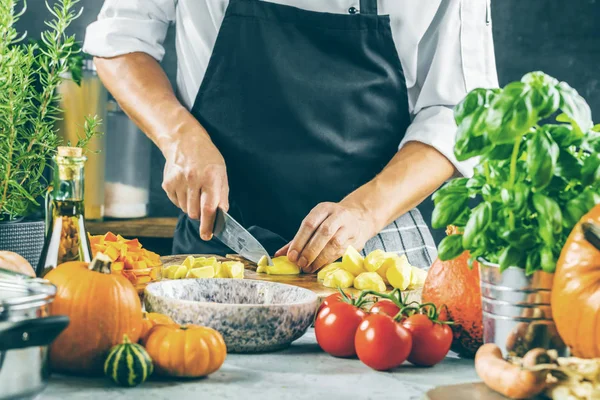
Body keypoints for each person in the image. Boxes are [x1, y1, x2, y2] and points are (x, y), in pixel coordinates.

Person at [84, 0, 498, 273]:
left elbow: (460, 112)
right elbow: (122, 38)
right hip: (221, 245)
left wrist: (365, 213)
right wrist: (179, 137)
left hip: (372, 259)